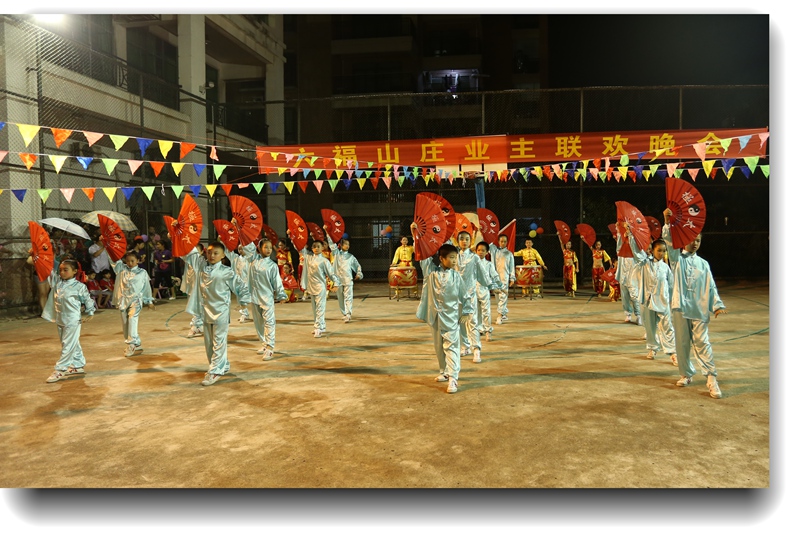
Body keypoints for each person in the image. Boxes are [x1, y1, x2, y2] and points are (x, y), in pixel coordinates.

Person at [662, 209, 728, 399]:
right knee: (682, 343)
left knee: (702, 343)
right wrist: (667, 222)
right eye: (692, 240)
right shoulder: (677, 260)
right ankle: (686, 374)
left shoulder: (703, 264)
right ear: (685, 241)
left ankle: (711, 379)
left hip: (699, 309)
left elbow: (711, 285)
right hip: (680, 308)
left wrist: (717, 304)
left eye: (698, 240)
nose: (695, 243)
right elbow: (669, 243)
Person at [181, 242, 250, 386]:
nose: (212, 255)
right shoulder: (201, 266)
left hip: (221, 312)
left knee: (219, 341)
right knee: (209, 343)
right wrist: (177, 236)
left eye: (216, 253)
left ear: (223, 255)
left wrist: (244, 301)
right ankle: (222, 364)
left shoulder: (226, 271)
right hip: (205, 311)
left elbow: (240, 285)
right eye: (210, 252)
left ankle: (215, 370)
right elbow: (189, 253)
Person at [415, 242, 470, 394]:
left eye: (456, 258)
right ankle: (444, 371)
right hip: (435, 316)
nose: (454, 261)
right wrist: (417, 237)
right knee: (438, 346)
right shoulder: (431, 273)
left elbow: (465, 295)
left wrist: (466, 311)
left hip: (451, 317)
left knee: (451, 347)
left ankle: (453, 378)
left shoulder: (456, 277)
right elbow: (423, 257)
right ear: (441, 258)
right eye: (451, 257)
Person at [624, 223, 678, 365]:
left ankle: (672, 352)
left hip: (663, 301)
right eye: (659, 250)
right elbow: (636, 252)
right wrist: (630, 234)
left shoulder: (665, 267)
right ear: (652, 250)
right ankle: (653, 348)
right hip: (648, 301)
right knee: (650, 327)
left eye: (664, 251)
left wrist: (671, 300)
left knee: (667, 327)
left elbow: (671, 285)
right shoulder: (644, 263)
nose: (662, 253)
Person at [41, 259, 96, 383]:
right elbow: (47, 270)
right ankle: (78, 365)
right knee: (71, 343)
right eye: (60, 270)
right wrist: (38, 256)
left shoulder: (79, 286)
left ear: (75, 271)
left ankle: (60, 369)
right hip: (60, 318)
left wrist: (90, 312)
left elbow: (87, 299)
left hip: (72, 320)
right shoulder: (57, 283)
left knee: (67, 345)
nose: (62, 272)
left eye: (66, 270)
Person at [454, 230, 496, 364]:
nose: (464, 241)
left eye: (467, 239)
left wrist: (491, 284)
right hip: (457, 295)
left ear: (470, 241)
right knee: (460, 322)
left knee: (472, 321)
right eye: (461, 239)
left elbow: (482, 275)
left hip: (470, 294)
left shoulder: (474, 258)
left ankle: (476, 348)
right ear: (457, 241)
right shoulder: (454, 257)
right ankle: (465, 346)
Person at [248, 238, 288, 360]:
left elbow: (277, 281)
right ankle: (264, 343)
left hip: (267, 298)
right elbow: (247, 246)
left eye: (270, 247)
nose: (269, 250)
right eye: (266, 247)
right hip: (255, 297)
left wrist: (281, 295)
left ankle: (270, 347)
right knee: (258, 323)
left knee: (269, 322)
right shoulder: (253, 261)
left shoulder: (272, 266)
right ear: (259, 248)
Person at [111, 250, 156, 357]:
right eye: (127, 261)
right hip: (123, 300)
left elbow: (146, 287)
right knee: (125, 322)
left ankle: (131, 344)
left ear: (138, 261)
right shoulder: (121, 269)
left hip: (136, 300)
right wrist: (110, 246)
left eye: (132, 261)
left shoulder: (142, 272)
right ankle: (136, 342)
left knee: (132, 319)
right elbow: (113, 259)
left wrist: (149, 301)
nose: (130, 263)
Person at [296, 236, 340, 338]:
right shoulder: (309, 258)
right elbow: (299, 248)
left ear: (322, 248)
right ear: (311, 248)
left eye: (318, 246)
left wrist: (336, 283)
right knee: (315, 308)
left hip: (320, 287)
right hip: (311, 287)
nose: (316, 248)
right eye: (314, 246)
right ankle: (322, 326)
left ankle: (318, 328)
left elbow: (331, 274)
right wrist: (293, 236)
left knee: (320, 308)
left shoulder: (324, 261)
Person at [326, 227, 363, 323]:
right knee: (340, 298)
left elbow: (357, 266)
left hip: (348, 280)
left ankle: (348, 313)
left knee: (348, 297)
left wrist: (359, 274)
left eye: (348, 244)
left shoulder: (351, 257)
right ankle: (344, 313)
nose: (347, 246)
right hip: (338, 280)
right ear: (341, 245)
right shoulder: (336, 254)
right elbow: (331, 244)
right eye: (345, 244)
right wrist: (327, 232)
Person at [615, 223, 643, 326]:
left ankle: (639, 315)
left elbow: (636, 250)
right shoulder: (621, 252)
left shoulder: (636, 251)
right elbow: (618, 247)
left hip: (633, 276)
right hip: (623, 274)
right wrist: (619, 231)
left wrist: (630, 234)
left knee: (634, 295)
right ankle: (628, 313)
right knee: (624, 295)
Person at [474, 241, 502, 342]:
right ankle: (479, 328)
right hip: (473, 291)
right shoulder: (472, 263)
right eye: (478, 250)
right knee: (476, 312)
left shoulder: (489, 264)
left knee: (486, 311)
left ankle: (488, 330)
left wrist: (499, 285)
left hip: (484, 290)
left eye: (483, 250)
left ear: (487, 252)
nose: (480, 252)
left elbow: (494, 275)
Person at [224, 242, 257, 323]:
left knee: (252, 299)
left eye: (242, 248)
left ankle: (257, 314)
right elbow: (227, 252)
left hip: (249, 282)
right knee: (240, 299)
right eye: (239, 249)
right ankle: (244, 314)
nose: (240, 250)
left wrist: (246, 241)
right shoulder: (235, 258)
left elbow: (253, 250)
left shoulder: (249, 259)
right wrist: (224, 241)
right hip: (239, 282)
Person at [488, 234, 515, 324]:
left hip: (504, 277)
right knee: (497, 296)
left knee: (503, 295)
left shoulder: (509, 254)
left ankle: (499, 315)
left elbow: (511, 267)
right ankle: (504, 313)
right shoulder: (494, 250)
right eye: (501, 241)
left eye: (505, 241)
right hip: (495, 277)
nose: (503, 243)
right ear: (498, 242)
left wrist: (512, 278)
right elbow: (487, 242)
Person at [181, 242, 205, 338]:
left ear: (202, 252)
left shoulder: (200, 260)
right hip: (191, 286)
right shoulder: (189, 259)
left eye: (196, 250)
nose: (193, 252)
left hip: (199, 287)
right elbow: (182, 254)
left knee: (197, 306)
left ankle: (196, 326)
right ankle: (199, 325)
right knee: (196, 306)